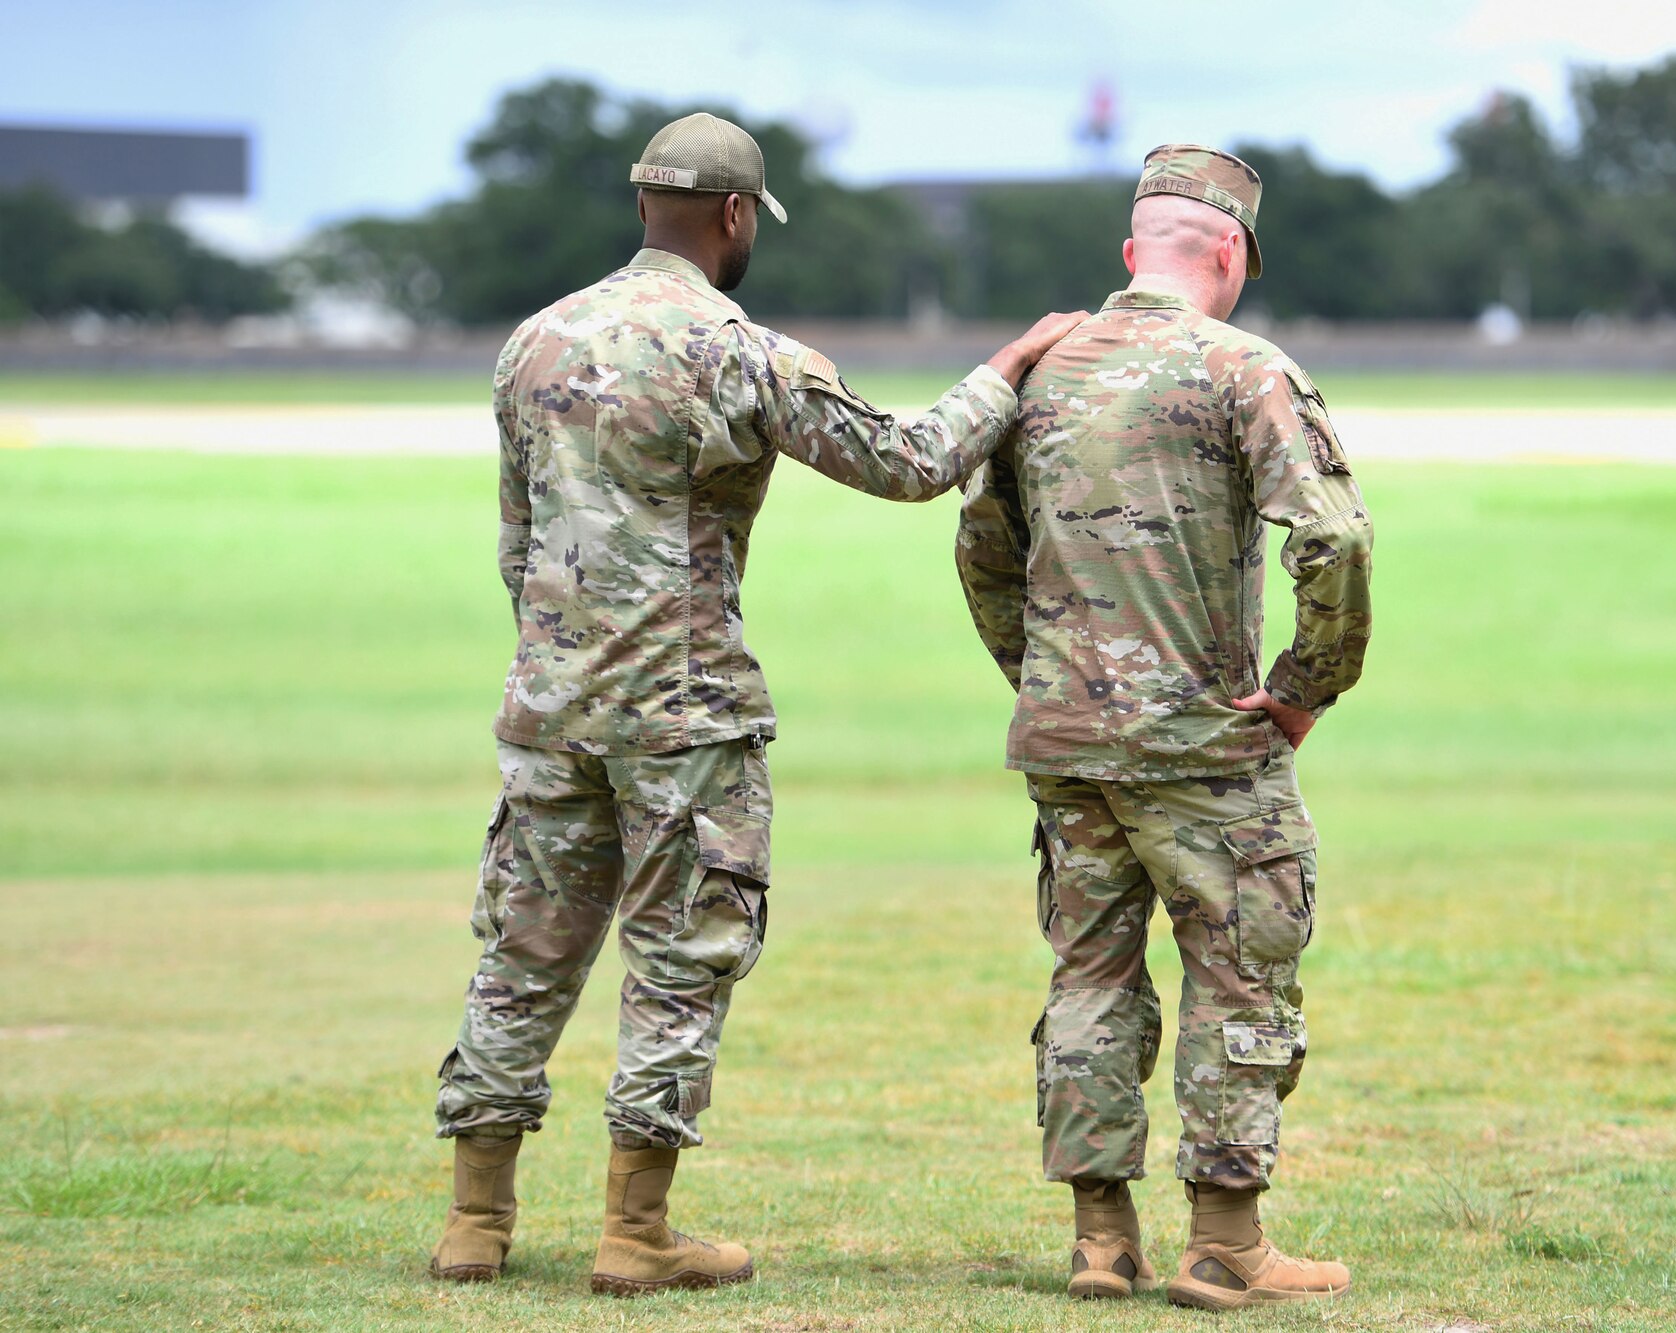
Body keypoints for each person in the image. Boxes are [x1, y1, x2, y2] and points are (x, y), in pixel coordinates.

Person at [426, 110, 1085, 1296]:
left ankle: (475, 1221)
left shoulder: (533, 341)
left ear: (642, 206)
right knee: (681, 957)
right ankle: (635, 1232)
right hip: (683, 711)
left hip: (548, 703)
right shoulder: (737, 350)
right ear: (736, 217)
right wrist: (1008, 368)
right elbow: (908, 461)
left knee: (521, 952)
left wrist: (562, 659)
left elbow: (518, 545)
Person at [954, 143, 1374, 1311]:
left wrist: (1043, 679)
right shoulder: (1243, 367)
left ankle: (1099, 1240)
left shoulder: (1039, 370)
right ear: (1229, 252)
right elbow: (1334, 540)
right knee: (1240, 975)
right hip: (1203, 744)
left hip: (1066, 744)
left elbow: (981, 553)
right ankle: (1227, 1244)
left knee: (1088, 976)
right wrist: (1304, 684)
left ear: (1131, 253)